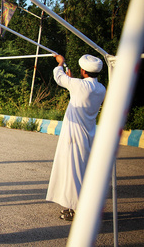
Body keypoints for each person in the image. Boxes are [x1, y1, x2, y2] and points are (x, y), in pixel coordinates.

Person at [46, 54, 106, 221]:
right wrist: (71, 81)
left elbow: (58, 77)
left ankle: (77, 209)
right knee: (83, 171)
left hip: (74, 135)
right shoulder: (101, 89)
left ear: (83, 71)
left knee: (73, 172)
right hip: (89, 133)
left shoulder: (78, 85)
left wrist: (61, 62)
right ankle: (79, 205)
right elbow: (77, 89)